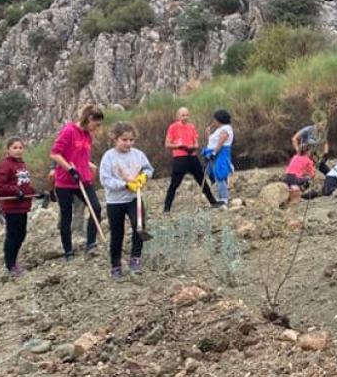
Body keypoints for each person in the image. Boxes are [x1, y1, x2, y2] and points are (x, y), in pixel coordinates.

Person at [99, 123, 155, 279]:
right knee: (117, 233)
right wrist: (124, 184)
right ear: (115, 139)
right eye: (124, 140)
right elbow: (105, 180)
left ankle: (135, 258)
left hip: (134, 199)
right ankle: (115, 266)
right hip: (115, 201)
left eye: (131, 140)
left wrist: (144, 176)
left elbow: (148, 169)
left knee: (140, 227)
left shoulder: (138, 154)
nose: (128, 143)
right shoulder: (108, 157)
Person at [51, 104, 104, 261]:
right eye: (96, 124)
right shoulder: (69, 131)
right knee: (66, 217)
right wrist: (70, 170)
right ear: (89, 119)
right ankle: (68, 252)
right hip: (65, 182)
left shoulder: (88, 135)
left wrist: (90, 165)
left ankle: (91, 244)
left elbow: (81, 157)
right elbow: (55, 154)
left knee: (96, 208)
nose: (97, 128)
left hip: (83, 179)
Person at [0, 138, 37, 278]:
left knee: (21, 234)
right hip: (12, 207)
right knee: (13, 235)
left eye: (20, 147)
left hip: (23, 207)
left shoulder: (22, 165)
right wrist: (15, 191)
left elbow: (24, 185)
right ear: (8, 150)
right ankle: (10, 265)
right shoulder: (5, 165)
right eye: (14, 147)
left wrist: (36, 192)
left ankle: (13, 261)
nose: (18, 150)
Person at [163, 106, 218, 212]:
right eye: (183, 115)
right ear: (178, 116)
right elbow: (167, 144)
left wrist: (192, 147)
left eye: (187, 115)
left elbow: (196, 143)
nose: (185, 117)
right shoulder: (173, 127)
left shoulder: (191, 127)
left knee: (202, 179)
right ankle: (167, 208)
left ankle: (213, 201)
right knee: (174, 183)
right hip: (179, 157)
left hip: (192, 156)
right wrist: (179, 146)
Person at [203, 108, 234, 206]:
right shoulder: (219, 129)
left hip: (220, 153)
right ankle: (221, 196)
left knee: (220, 175)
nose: (214, 121)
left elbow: (221, 142)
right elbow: (212, 142)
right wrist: (208, 135)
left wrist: (213, 154)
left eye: (215, 119)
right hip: (214, 152)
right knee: (215, 174)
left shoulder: (225, 129)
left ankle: (223, 198)